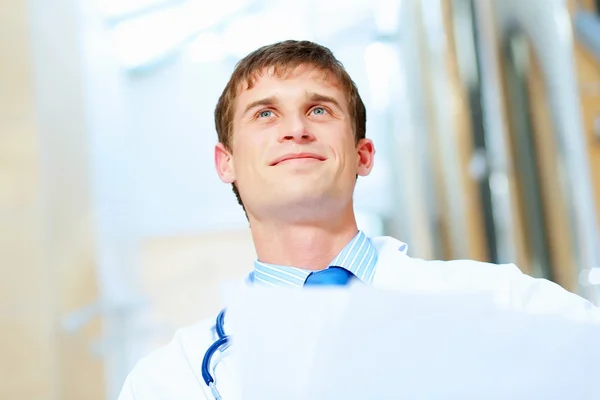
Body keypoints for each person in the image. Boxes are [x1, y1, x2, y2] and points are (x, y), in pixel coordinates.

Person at [117, 40, 599, 400]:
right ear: (226, 164)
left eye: (319, 109)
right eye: (265, 114)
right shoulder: (169, 380)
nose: (296, 129)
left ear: (363, 154)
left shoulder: (506, 303)